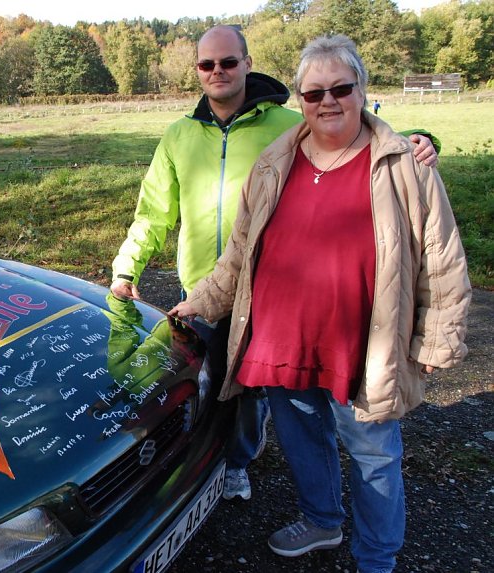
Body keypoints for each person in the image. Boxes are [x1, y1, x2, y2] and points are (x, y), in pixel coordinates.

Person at [169, 34, 470, 573]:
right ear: (300, 101)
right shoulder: (273, 163)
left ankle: (377, 555)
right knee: (303, 440)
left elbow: (441, 258)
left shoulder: (403, 164)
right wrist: (202, 300)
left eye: (340, 88)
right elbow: (240, 250)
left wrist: (437, 338)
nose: (327, 101)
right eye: (314, 93)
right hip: (282, 340)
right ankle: (322, 520)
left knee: (375, 454)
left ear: (361, 91)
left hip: (363, 346)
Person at [109, 25, 439, 502]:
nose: (218, 71)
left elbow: (356, 134)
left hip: (270, 291)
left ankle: (239, 462)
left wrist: (420, 141)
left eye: (228, 62)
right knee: (198, 385)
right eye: (207, 65)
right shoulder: (179, 136)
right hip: (203, 288)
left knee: (249, 395)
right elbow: (154, 212)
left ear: (247, 63)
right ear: (198, 73)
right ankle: (199, 463)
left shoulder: (288, 122)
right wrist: (126, 269)